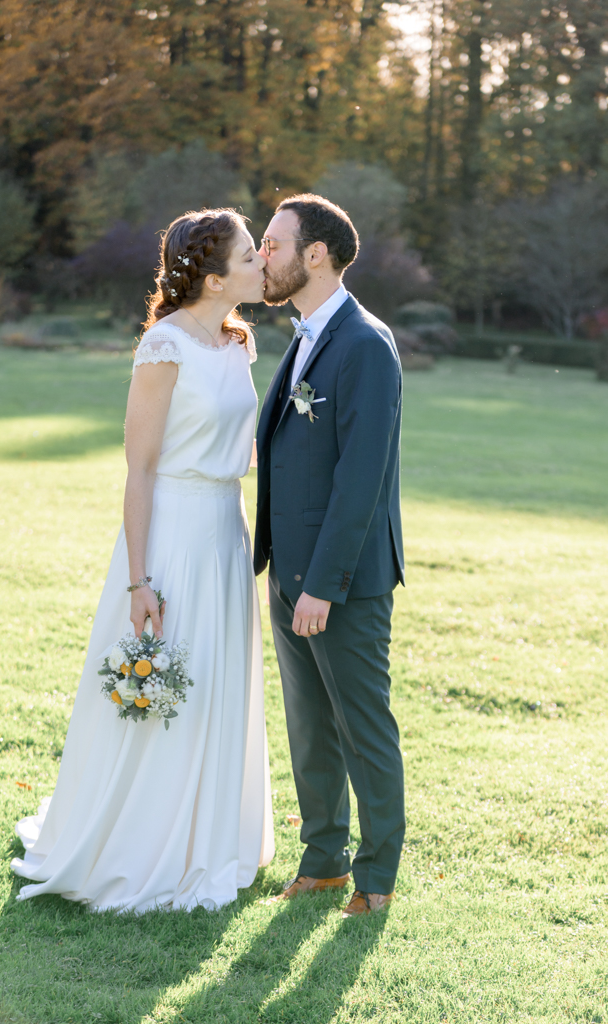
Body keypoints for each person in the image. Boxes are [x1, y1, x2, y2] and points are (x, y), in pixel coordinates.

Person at [12, 209, 274, 912]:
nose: (262, 264)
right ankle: (141, 842)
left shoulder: (236, 341)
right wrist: (139, 578)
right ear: (214, 276)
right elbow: (139, 469)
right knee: (167, 682)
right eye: (251, 256)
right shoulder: (164, 346)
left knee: (214, 679)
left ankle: (208, 835)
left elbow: (241, 444)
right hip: (174, 534)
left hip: (226, 526)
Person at [254, 194, 405, 918]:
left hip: (339, 582)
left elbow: (360, 479)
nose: (261, 256)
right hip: (289, 573)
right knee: (309, 725)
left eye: (271, 244)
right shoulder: (305, 334)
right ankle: (322, 859)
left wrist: (321, 585)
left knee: (360, 725)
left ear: (314, 254)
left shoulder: (366, 344)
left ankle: (375, 877)